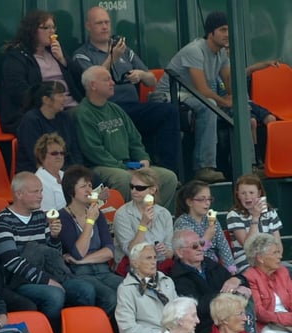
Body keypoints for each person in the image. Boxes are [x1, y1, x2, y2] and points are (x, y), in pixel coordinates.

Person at [72, 6, 180, 173]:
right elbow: (91, 80)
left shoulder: (125, 50)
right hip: (106, 110)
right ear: (88, 26)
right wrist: (112, 58)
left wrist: (141, 75)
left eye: (107, 22)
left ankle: (168, 171)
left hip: (133, 107)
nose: (104, 27)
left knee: (169, 112)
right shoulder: (82, 54)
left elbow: (152, 81)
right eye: (99, 23)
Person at [0, 172, 94, 333]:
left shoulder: (41, 217)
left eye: (41, 191)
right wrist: (46, 281)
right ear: (19, 194)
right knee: (54, 295)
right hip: (17, 281)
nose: (41, 196)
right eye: (35, 192)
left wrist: (54, 238)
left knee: (85, 289)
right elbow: (11, 262)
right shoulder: (2, 221)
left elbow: (53, 254)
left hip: (47, 273)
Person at [74, 65, 178, 208]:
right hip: (100, 167)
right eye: (107, 80)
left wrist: (144, 160)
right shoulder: (83, 113)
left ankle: (151, 217)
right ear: (93, 85)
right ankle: (126, 221)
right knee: (124, 178)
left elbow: (135, 140)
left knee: (168, 177)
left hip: (128, 164)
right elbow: (94, 151)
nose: (113, 83)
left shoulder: (115, 109)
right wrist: (123, 167)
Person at [150, 12, 231, 183]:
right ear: (211, 33)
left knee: (243, 108)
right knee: (209, 104)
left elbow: (229, 80)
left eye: (229, 30)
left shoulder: (222, 53)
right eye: (223, 30)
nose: (227, 34)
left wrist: (233, 99)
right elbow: (202, 90)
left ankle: (251, 165)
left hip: (190, 97)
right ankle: (204, 168)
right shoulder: (195, 50)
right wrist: (224, 102)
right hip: (167, 96)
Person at [0, 9, 84, 134]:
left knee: (101, 113)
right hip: (44, 109)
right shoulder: (17, 56)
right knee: (81, 118)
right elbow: (18, 89)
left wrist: (63, 60)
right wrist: (49, 102)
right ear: (32, 31)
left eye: (53, 27)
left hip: (71, 104)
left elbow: (81, 78)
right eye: (45, 28)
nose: (51, 32)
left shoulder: (55, 51)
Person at [58, 165, 120, 318]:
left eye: (90, 186)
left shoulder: (96, 213)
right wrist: (90, 221)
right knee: (109, 298)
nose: (88, 190)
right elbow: (78, 252)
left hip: (103, 270)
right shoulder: (63, 217)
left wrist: (81, 261)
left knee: (129, 289)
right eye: (83, 186)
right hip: (80, 274)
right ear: (71, 191)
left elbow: (109, 251)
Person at [170, 229, 250, 333]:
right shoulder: (177, 277)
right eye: (194, 246)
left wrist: (237, 280)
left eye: (201, 243)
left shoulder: (210, 264)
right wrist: (231, 292)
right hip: (205, 329)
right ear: (179, 252)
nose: (200, 248)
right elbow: (199, 306)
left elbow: (242, 282)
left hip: (230, 323)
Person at [113, 168, 174, 274]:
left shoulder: (164, 214)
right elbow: (130, 252)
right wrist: (143, 225)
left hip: (159, 263)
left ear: (152, 190)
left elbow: (170, 253)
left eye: (139, 188)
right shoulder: (122, 214)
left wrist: (165, 251)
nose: (133, 191)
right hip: (133, 265)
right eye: (131, 187)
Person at [16, 82, 85, 173]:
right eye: (60, 95)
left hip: (66, 169)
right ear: (46, 100)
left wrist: (78, 170)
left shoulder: (65, 117)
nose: (65, 99)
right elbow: (37, 156)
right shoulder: (31, 121)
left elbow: (75, 149)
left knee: (93, 178)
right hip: (38, 171)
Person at [116, 242, 178, 333]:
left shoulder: (167, 281)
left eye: (154, 257)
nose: (154, 262)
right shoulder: (126, 289)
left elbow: (179, 312)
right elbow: (127, 329)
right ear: (135, 263)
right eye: (148, 258)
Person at [174, 180, 236, 271]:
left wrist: (231, 268)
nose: (207, 203)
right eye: (202, 199)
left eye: (209, 199)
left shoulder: (211, 219)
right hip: (193, 268)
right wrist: (207, 237)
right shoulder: (182, 223)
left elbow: (223, 245)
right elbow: (191, 251)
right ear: (189, 202)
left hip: (213, 266)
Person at [226, 174, 283, 272]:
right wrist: (255, 217)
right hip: (246, 260)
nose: (247, 197)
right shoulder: (233, 215)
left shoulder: (270, 213)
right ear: (238, 195)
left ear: (259, 193)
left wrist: (276, 257)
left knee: (287, 271)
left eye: (251, 193)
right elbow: (247, 245)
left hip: (270, 258)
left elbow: (278, 243)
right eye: (243, 193)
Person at [243, 233, 292, 333]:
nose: (280, 256)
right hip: (269, 326)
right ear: (260, 258)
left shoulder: (283, 271)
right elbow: (260, 313)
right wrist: (287, 318)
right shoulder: (250, 277)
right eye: (275, 253)